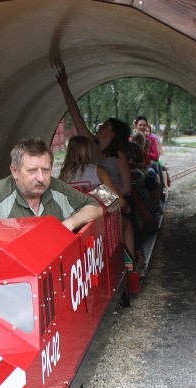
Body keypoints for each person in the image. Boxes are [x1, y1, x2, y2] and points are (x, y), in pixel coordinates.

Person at [54, 64, 145, 268]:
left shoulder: (118, 155)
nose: (100, 127)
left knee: (128, 211)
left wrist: (108, 198)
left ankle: (136, 254)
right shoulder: (92, 147)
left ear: (113, 134)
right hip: (100, 199)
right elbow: (76, 116)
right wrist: (64, 87)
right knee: (121, 212)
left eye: (105, 126)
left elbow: (126, 188)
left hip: (113, 196)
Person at [0, 137, 103, 231]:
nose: (41, 178)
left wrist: (69, 223)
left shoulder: (56, 186)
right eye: (32, 171)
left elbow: (95, 207)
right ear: (15, 171)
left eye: (46, 170)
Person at [58, 135, 136, 264]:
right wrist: (126, 207)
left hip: (76, 226)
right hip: (99, 224)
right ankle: (130, 266)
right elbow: (118, 201)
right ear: (90, 151)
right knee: (127, 225)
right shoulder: (98, 172)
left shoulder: (63, 176)